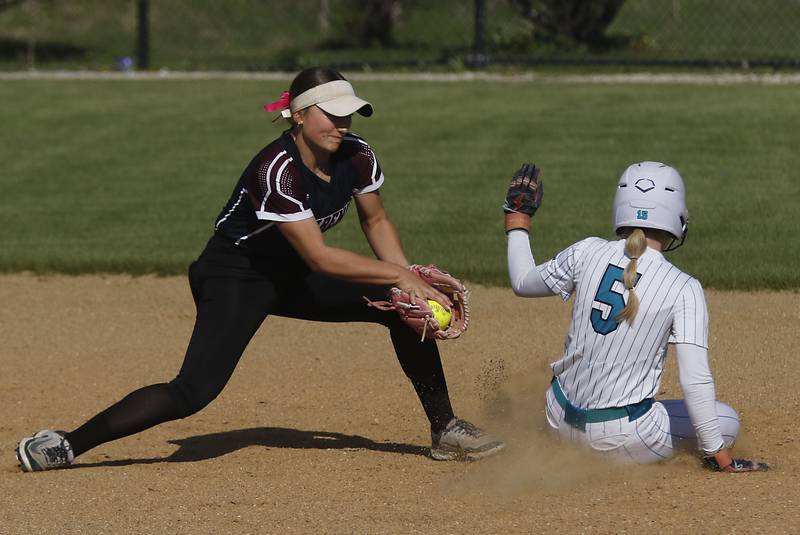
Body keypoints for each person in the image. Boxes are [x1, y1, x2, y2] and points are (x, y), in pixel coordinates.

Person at [16, 67, 504, 472]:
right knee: (193, 391)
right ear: (297, 114)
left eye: (348, 113)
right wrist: (400, 276)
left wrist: (409, 283)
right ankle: (66, 444)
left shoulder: (357, 155)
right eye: (330, 114)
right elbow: (320, 256)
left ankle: (446, 430)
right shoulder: (277, 170)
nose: (342, 123)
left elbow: (375, 220)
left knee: (398, 311)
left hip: (294, 273)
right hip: (236, 276)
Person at [502, 161, 767, 472]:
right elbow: (695, 381)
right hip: (622, 441)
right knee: (726, 421)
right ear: (677, 216)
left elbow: (522, 282)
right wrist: (720, 456)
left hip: (557, 421)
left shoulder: (586, 251)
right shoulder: (684, 287)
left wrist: (517, 218)